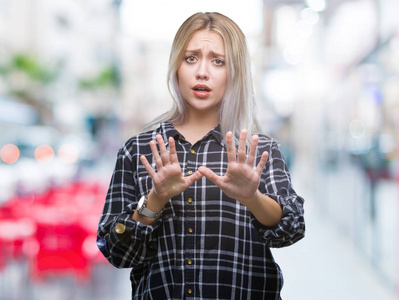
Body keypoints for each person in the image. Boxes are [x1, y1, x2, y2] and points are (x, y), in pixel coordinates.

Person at [97, 12, 305, 299]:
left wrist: (252, 198)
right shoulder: (140, 150)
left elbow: (292, 229)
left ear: (235, 72)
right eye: (191, 58)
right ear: (176, 67)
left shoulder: (258, 149)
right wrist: (155, 201)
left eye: (218, 61)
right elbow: (115, 251)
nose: (202, 72)